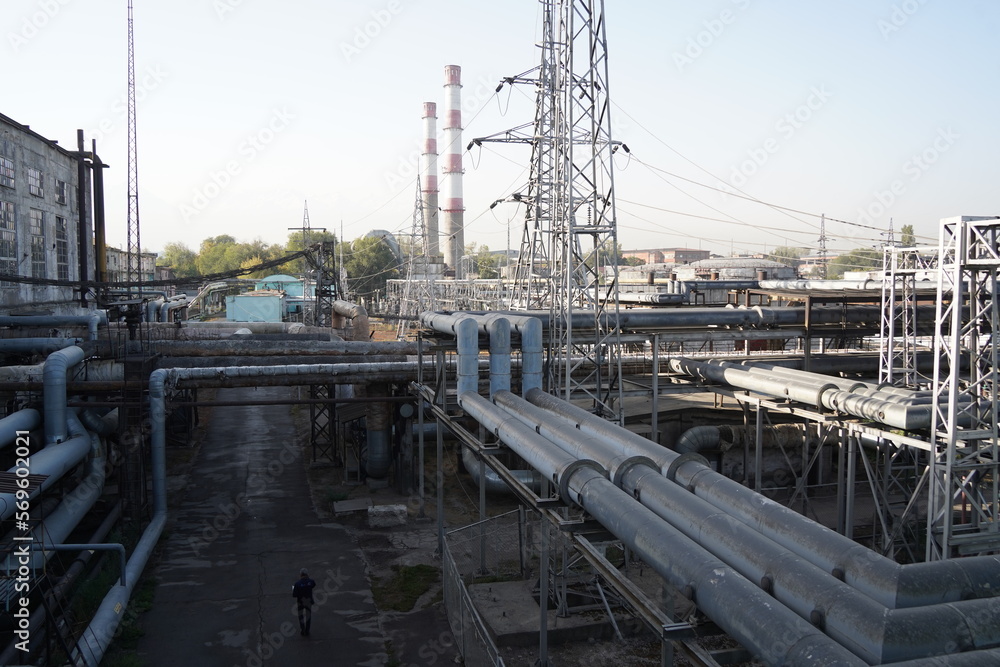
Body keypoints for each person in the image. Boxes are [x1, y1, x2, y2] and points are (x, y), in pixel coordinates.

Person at [292, 568, 316, 636]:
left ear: (300, 574)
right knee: (308, 616)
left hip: (300, 602)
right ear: (307, 574)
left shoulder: (297, 584)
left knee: (301, 616)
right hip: (308, 601)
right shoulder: (311, 581)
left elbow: (294, 595)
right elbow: (313, 585)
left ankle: (302, 629)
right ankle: (307, 630)